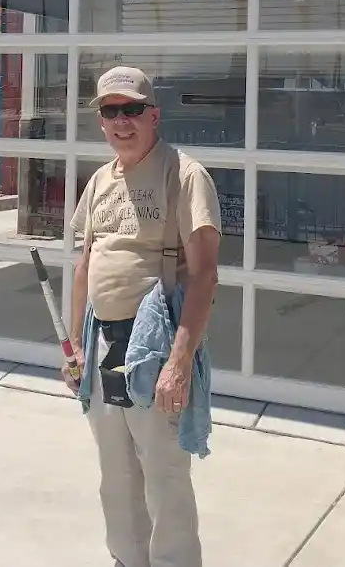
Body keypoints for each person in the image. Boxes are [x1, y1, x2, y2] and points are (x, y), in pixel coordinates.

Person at [66, 65, 221, 567]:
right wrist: (73, 347)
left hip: (153, 350)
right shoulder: (98, 180)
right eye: (110, 111)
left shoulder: (184, 175)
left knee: (164, 476)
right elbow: (85, 265)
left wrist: (179, 363)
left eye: (131, 110)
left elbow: (203, 276)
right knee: (116, 474)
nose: (121, 121)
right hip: (101, 344)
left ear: (153, 115)